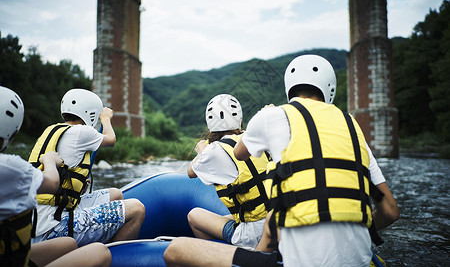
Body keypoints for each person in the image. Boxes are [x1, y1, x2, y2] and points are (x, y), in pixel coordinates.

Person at [163, 54, 399, 267]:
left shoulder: (271, 117)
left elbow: (239, 154)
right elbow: (390, 211)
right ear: (330, 90)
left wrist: (263, 118)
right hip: (357, 257)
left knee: (175, 249)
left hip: (294, 257)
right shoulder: (352, 126)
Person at [0, 86, 111, 267]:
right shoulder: (11, 167)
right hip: (12, 259)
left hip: (18, 246)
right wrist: (50, 160)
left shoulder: (50, 132)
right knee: (101, 252)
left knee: (69, 243)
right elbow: (52, 183)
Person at [29, 88, 145, 247]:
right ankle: (113, 257)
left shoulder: (51, 130)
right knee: (137, 209)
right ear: (90, 112)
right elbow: (111, 139)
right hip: (53, 227)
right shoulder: (81, 132)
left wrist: (76, 186)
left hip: (39, 219)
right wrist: (106, 119)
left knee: (115, 194)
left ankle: (101, 239)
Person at [186, 94, 271, 249]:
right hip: (276, 222)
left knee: (194, 216)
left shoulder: (213, 151)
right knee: (228, 218)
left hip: (253, 234)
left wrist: (201, 148)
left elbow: (190, 172)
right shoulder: (253, 137)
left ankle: (220, 256)